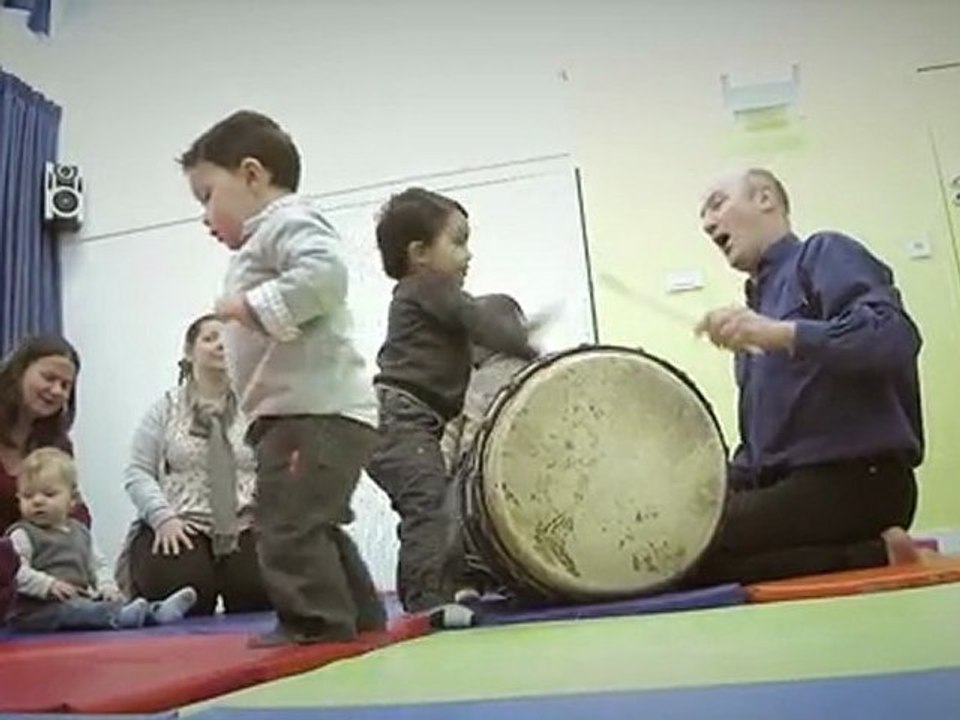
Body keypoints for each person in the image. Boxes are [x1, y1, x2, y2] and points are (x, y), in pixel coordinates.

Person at [179, 110, 382, 646]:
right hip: (305, 414)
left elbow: (324, 276)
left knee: (284, 524)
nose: (204, 217)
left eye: (207, 196)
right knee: (310, 523)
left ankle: (316, 623)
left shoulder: (285, 222)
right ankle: (359, 616)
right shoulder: (265, 238)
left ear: (252, 174)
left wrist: (249, 307)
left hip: (311, 415)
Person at [691, 167, 927, 585]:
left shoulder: (823, 253)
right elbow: (760, 452)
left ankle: (874, 553)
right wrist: (703, 489)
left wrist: (782, 333)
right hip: (791, 489)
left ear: (765, 199)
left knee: (691, 550)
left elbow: (892, 337)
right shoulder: (754, 318)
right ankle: (877, 552)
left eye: (717, 204)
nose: (708, 223)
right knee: (676, 542)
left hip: (861, 482)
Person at [366, 188, 539, 612]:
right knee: (428, 508)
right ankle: (428, 602)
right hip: (400, 420)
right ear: (420, 253)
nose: (468, 255)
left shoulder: (425, 296)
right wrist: (525, 347)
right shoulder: (427, 286)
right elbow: (476, 318)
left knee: (433, 506)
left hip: (409, 422)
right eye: (458, 242)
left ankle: (434, 592)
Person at [119, 314, 270, 616]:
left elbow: (275, 468)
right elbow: (138, 472)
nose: (221, 345)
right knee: (184, 590)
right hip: (180, 523)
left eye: (228, 339)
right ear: (189, 352)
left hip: (244, 524)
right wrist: (162, 519)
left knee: (259, 592)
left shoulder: (256, 409)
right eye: (210, 338)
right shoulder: (164, 409)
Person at [7, 447, 196, 632]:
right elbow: (15, 572)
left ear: (73, 499)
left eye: (49, 494)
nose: (37, 501)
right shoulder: (22, 534)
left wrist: (107, 587)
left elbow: (97, 565)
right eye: (28, 496)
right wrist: (48, 585)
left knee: (97, 603)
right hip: (36, 611)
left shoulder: (80, 532)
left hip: (75, 600)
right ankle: (122, 617)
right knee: (77, 610)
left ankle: (156, 612)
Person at [440, 293, 537, 601]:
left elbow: (453, 433)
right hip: (533, 475)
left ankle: (464, 582)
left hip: (479, 476)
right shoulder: (537, 372)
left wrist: (440, 472)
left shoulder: (472, 382)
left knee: (453, 516)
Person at [0, 335, 91, 622]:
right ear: (19, 372)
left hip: (38, 571)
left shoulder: (58, 445)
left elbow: (75, 511)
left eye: (65, 386)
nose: (56, 390)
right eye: (49, 378)